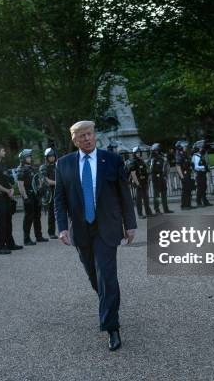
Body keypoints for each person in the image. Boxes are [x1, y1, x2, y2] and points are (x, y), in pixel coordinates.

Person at [54, 120, 136, 351]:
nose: (87, 139)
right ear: (74, 140)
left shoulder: (111, 160)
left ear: (94, 135)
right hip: (81, 230)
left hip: (107, 228)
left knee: (107, 275)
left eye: (89, 134)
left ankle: (112, 327)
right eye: (82, 136)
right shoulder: (64, 164)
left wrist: (129, 224)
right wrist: (62, 228)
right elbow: (59, 200)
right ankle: (109, 301)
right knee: (95, 277)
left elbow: (124, 195)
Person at [0, 145, 21, 254]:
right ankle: (1, 247)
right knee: (1, 223)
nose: (5, 152)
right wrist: (6, 190)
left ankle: (10, 244)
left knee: (8, 221)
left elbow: (6, 179)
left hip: (6, 197)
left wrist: (11, 189)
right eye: (3, 150)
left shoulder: (2, 164)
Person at [17, 149, 48, 246]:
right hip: (28, 196)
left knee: (37, 216)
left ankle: (38, 236)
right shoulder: (21, 169)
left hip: (36, 196)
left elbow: (38, 180)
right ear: (23, 158)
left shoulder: (33, 168)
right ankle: (26, 239)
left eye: (30, 157)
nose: (30, 158)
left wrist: (41, 189)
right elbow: (20, 185)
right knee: (28, 218)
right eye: (28, 157)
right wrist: (25, 197)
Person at [129, 146, 154, 219]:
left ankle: (148, 212)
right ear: (134, 153)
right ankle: (140, 214)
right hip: (138, 182)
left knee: (146, 198)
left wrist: (148, 179)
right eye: (137, 153)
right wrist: (137, 183)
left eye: (139, 152)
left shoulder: (141, 161)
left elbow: (146, 170)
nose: (138, 154)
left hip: (144, 182)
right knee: (139, 199)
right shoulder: (133, 162)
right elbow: (133, 173)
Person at [149, 143, 173, 214]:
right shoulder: (152, 159)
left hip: (162, 178)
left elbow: (165, 166)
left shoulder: (161, 157)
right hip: (156, 178)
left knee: (164, 194)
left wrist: (165, 175)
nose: (157, 151)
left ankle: (166, 209)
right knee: (156, 195)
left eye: (158, 150)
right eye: (156, 150)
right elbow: (151, 169)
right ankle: (157, 209)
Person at [40, 148, 58, 239]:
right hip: (49, 193)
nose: (52, 158)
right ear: (46, 157)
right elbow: (45, 180)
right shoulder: (43, 167)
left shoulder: (57, 165)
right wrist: (57, 183)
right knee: (51, 213)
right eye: (50, 156)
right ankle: (51, 232)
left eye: (53, 156)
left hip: (58, 191)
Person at [175, 141, 194, 210]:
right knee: (185, 190)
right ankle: (184, 205)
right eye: (184, 146)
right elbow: (178, 167)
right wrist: (182, 177)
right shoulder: (178, 155)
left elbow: (188, 163)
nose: (185, 147)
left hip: (188, 173)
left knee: (189, 189)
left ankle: (188, 204)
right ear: (180, 147)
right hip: (183, 174)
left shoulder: (184, 154)